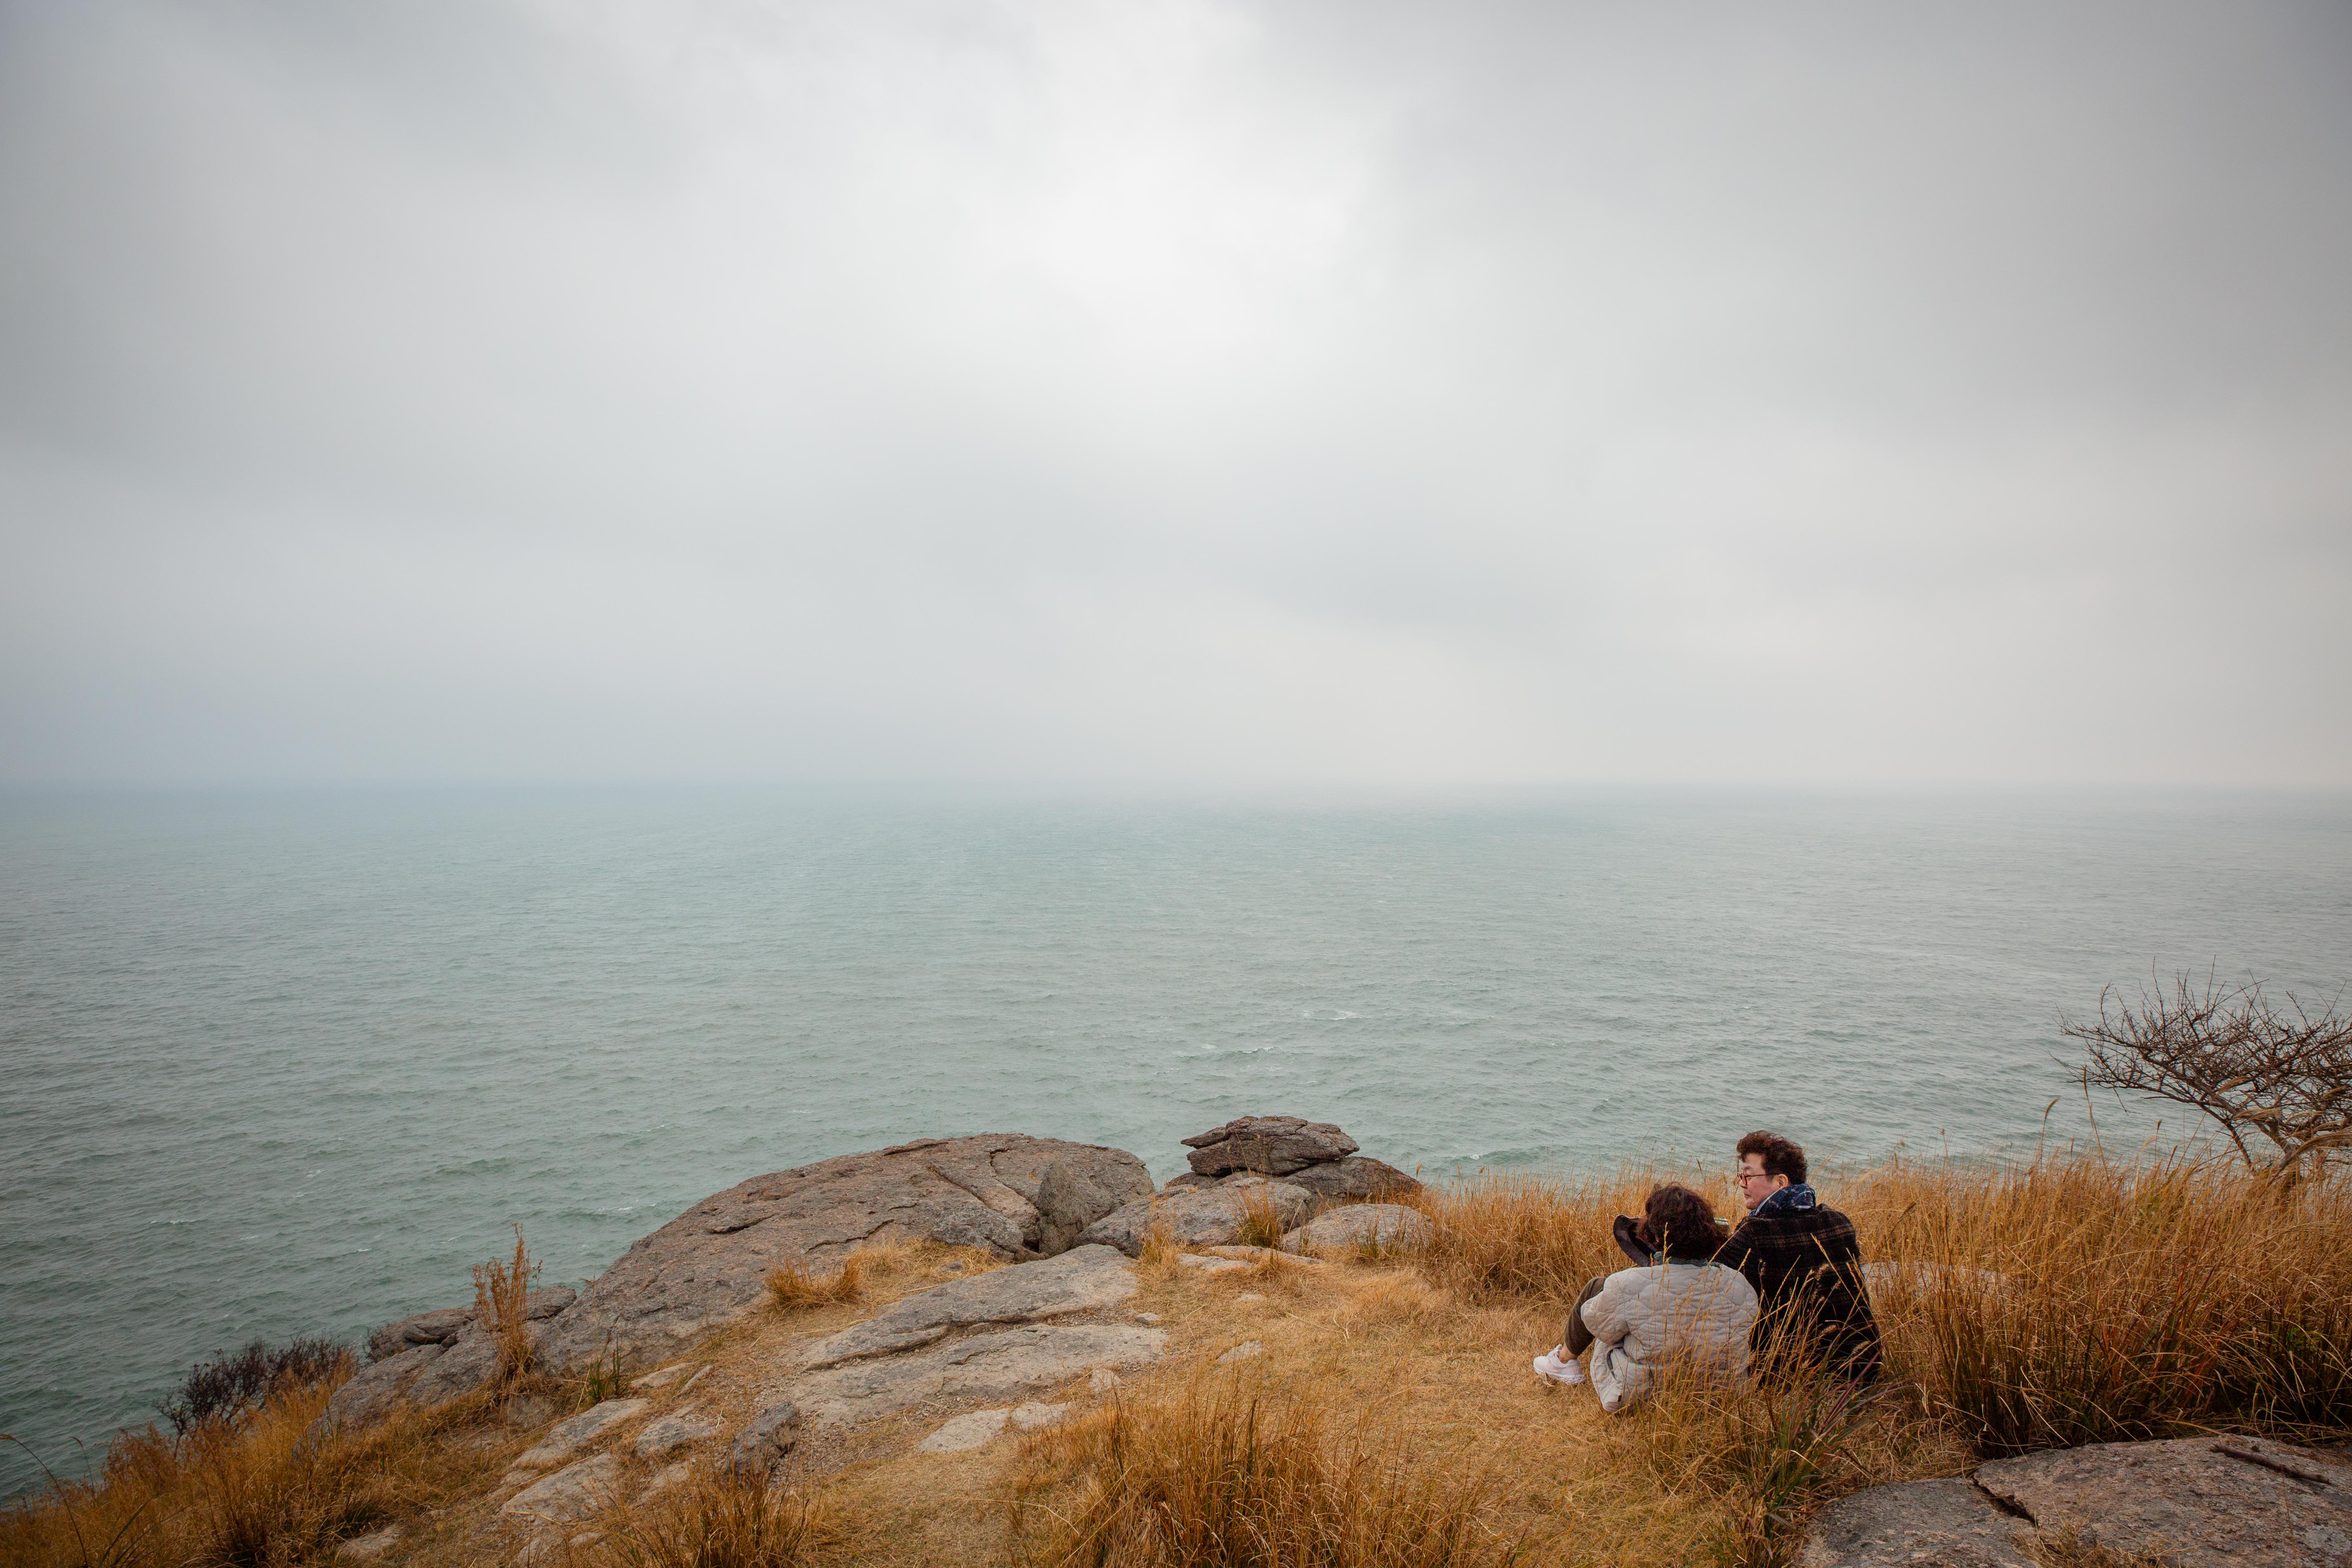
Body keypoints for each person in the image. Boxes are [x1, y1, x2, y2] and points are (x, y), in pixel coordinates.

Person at [1531, 1184, 1758, 1414]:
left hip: (1640, 1396)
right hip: (1720, 1397)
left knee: (1607, 1311)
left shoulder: (1628, 1283)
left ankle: (1562, 1363)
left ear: (1656, 1236)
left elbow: (1597, 1325)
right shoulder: (1739, 1284)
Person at [1714, 1130, 1882, 1380]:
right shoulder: (1839, 1222)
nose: (1742, 1183)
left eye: (1748, 1175)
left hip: (1786, 1373)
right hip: (1861, 1366)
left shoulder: (1755, 1232)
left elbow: (1708, 1281)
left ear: (1781, 1182)